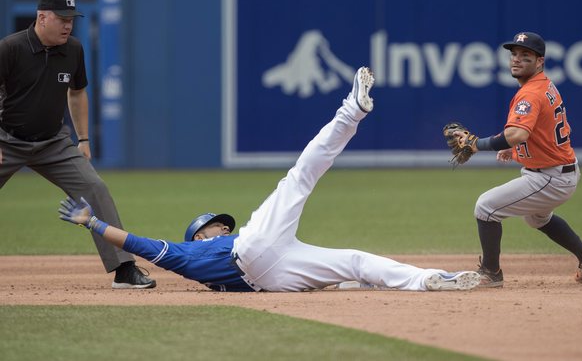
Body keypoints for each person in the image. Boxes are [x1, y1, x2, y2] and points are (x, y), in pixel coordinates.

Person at [58, 67, 480, 293]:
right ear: (201, 234)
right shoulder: (189, 254)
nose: (220, 224)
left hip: (270, 278)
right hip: (255, 253)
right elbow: (142, 245)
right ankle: (352, 110)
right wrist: (93, 223)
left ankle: (429, 280)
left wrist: (339, 280)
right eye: (213, 224)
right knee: (300, 176)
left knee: (352, 262)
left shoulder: (204, 266)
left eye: (220, 223)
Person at [0, 0, 155, 289]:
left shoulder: (72, 49)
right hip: (8, 138)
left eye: (72, 19)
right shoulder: (10, 48)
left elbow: (77, 91)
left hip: (53, 143)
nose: (68, 25)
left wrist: (83, 139)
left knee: (94, 187)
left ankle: (124, 269)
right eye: (62, 18)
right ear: (42, 17)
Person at [453, 32, 582, 288]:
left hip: (550, 177)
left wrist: (476, 144)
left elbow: (518, 134)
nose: (516, 60)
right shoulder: (544, 85)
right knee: (537, 218)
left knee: (486, 207)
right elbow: (541, 134)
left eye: (525, 56)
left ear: (540, 62)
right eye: (514, 54)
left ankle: (491, 273)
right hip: (559, 170)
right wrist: (514, 152)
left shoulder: (530, 94)